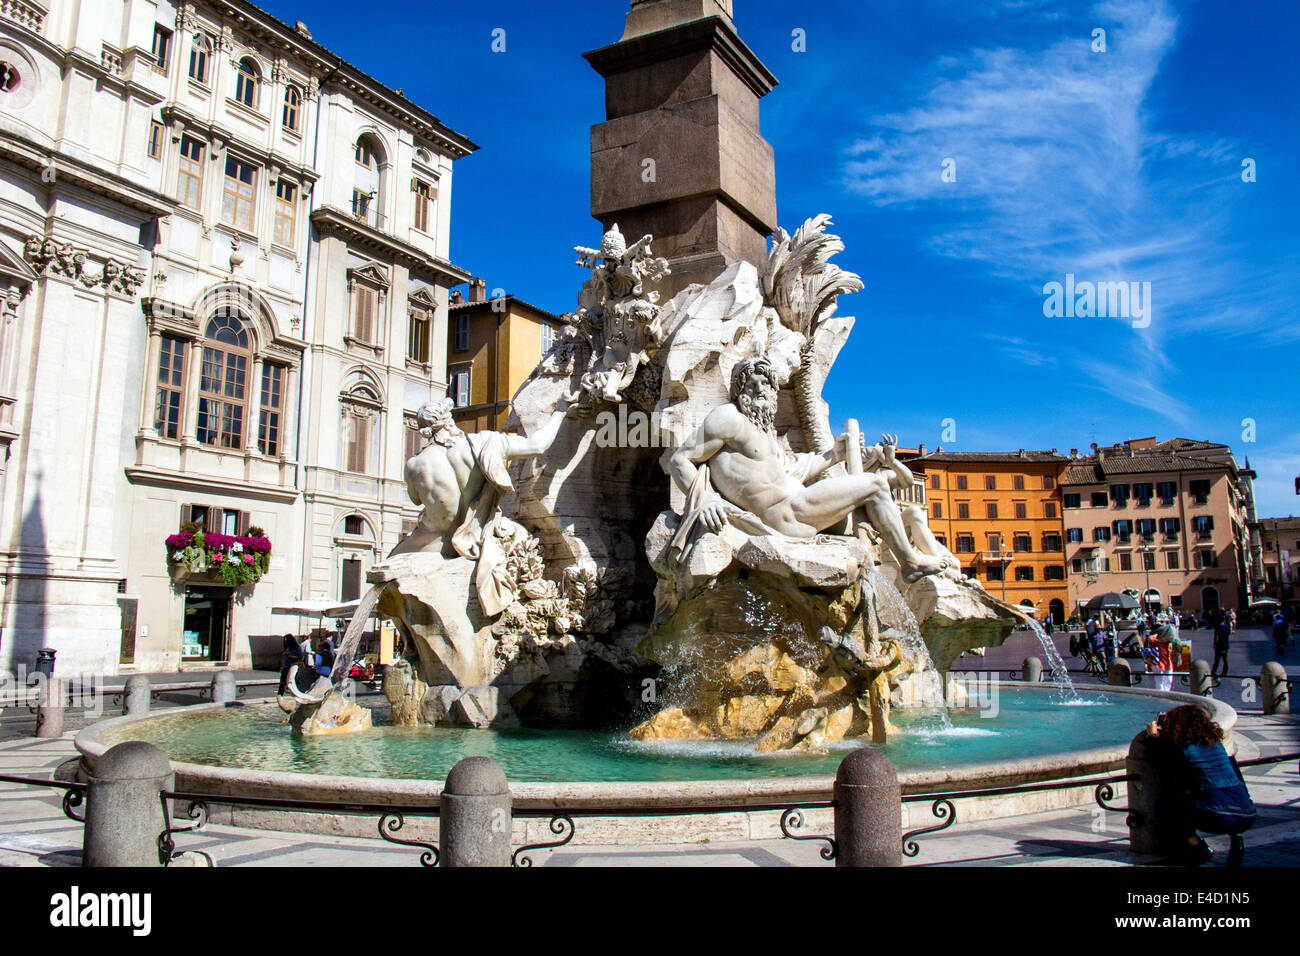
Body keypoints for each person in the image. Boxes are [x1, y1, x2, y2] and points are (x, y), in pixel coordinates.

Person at [1144, 704, 1255, 866]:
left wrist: (1152, 736)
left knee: (1166, 806)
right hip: (1248, 814)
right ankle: (1236, 838)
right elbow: (1238, 778)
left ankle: (1199, 847)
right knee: (1222, 792)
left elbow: (1156, 759)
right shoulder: (1217, 745)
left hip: (1216, 816)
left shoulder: (1180, 747)